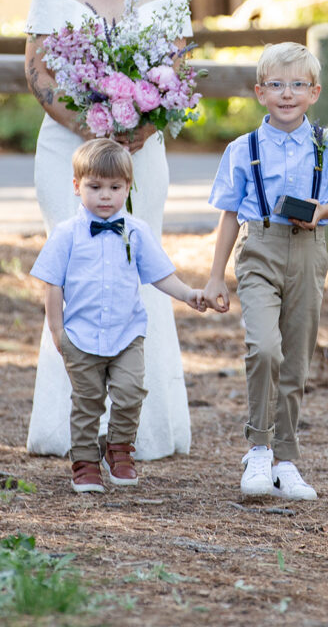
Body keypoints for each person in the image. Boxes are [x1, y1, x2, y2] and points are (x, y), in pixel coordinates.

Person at [25, 0, 193, 460]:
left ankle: (140, 429)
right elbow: (39, 72)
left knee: (138, 264)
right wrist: (90, 129)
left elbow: (176, 78)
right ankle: (69, 427)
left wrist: (136, 132)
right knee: (75, 268)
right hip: (68, 149)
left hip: (142, 151)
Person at [202, 42, 328, 500]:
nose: (287, 94)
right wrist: (216, 276)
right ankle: (257, 448)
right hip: (260, 249)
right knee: (264, 348)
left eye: (297, 85)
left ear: (314, 92)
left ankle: (285, 459)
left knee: (295, 358)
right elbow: (230, 213)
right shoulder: (242, 148)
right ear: (259, 92)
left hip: (309, 251)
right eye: (276, 85)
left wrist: (320, 210)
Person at [30, 139, 207, 493]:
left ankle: (120, 448)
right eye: (95, 187)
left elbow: (159, 274)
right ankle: (84, 462)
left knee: (131, 392)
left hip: (127, 334)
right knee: (87, 402)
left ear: (128, 188)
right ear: (77, 186)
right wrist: (57, 332)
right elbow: (53, 285)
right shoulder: (67, 234)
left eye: (115, 187)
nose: (106, 196)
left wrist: (188, 294)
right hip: (80, 336)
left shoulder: (136, 231)